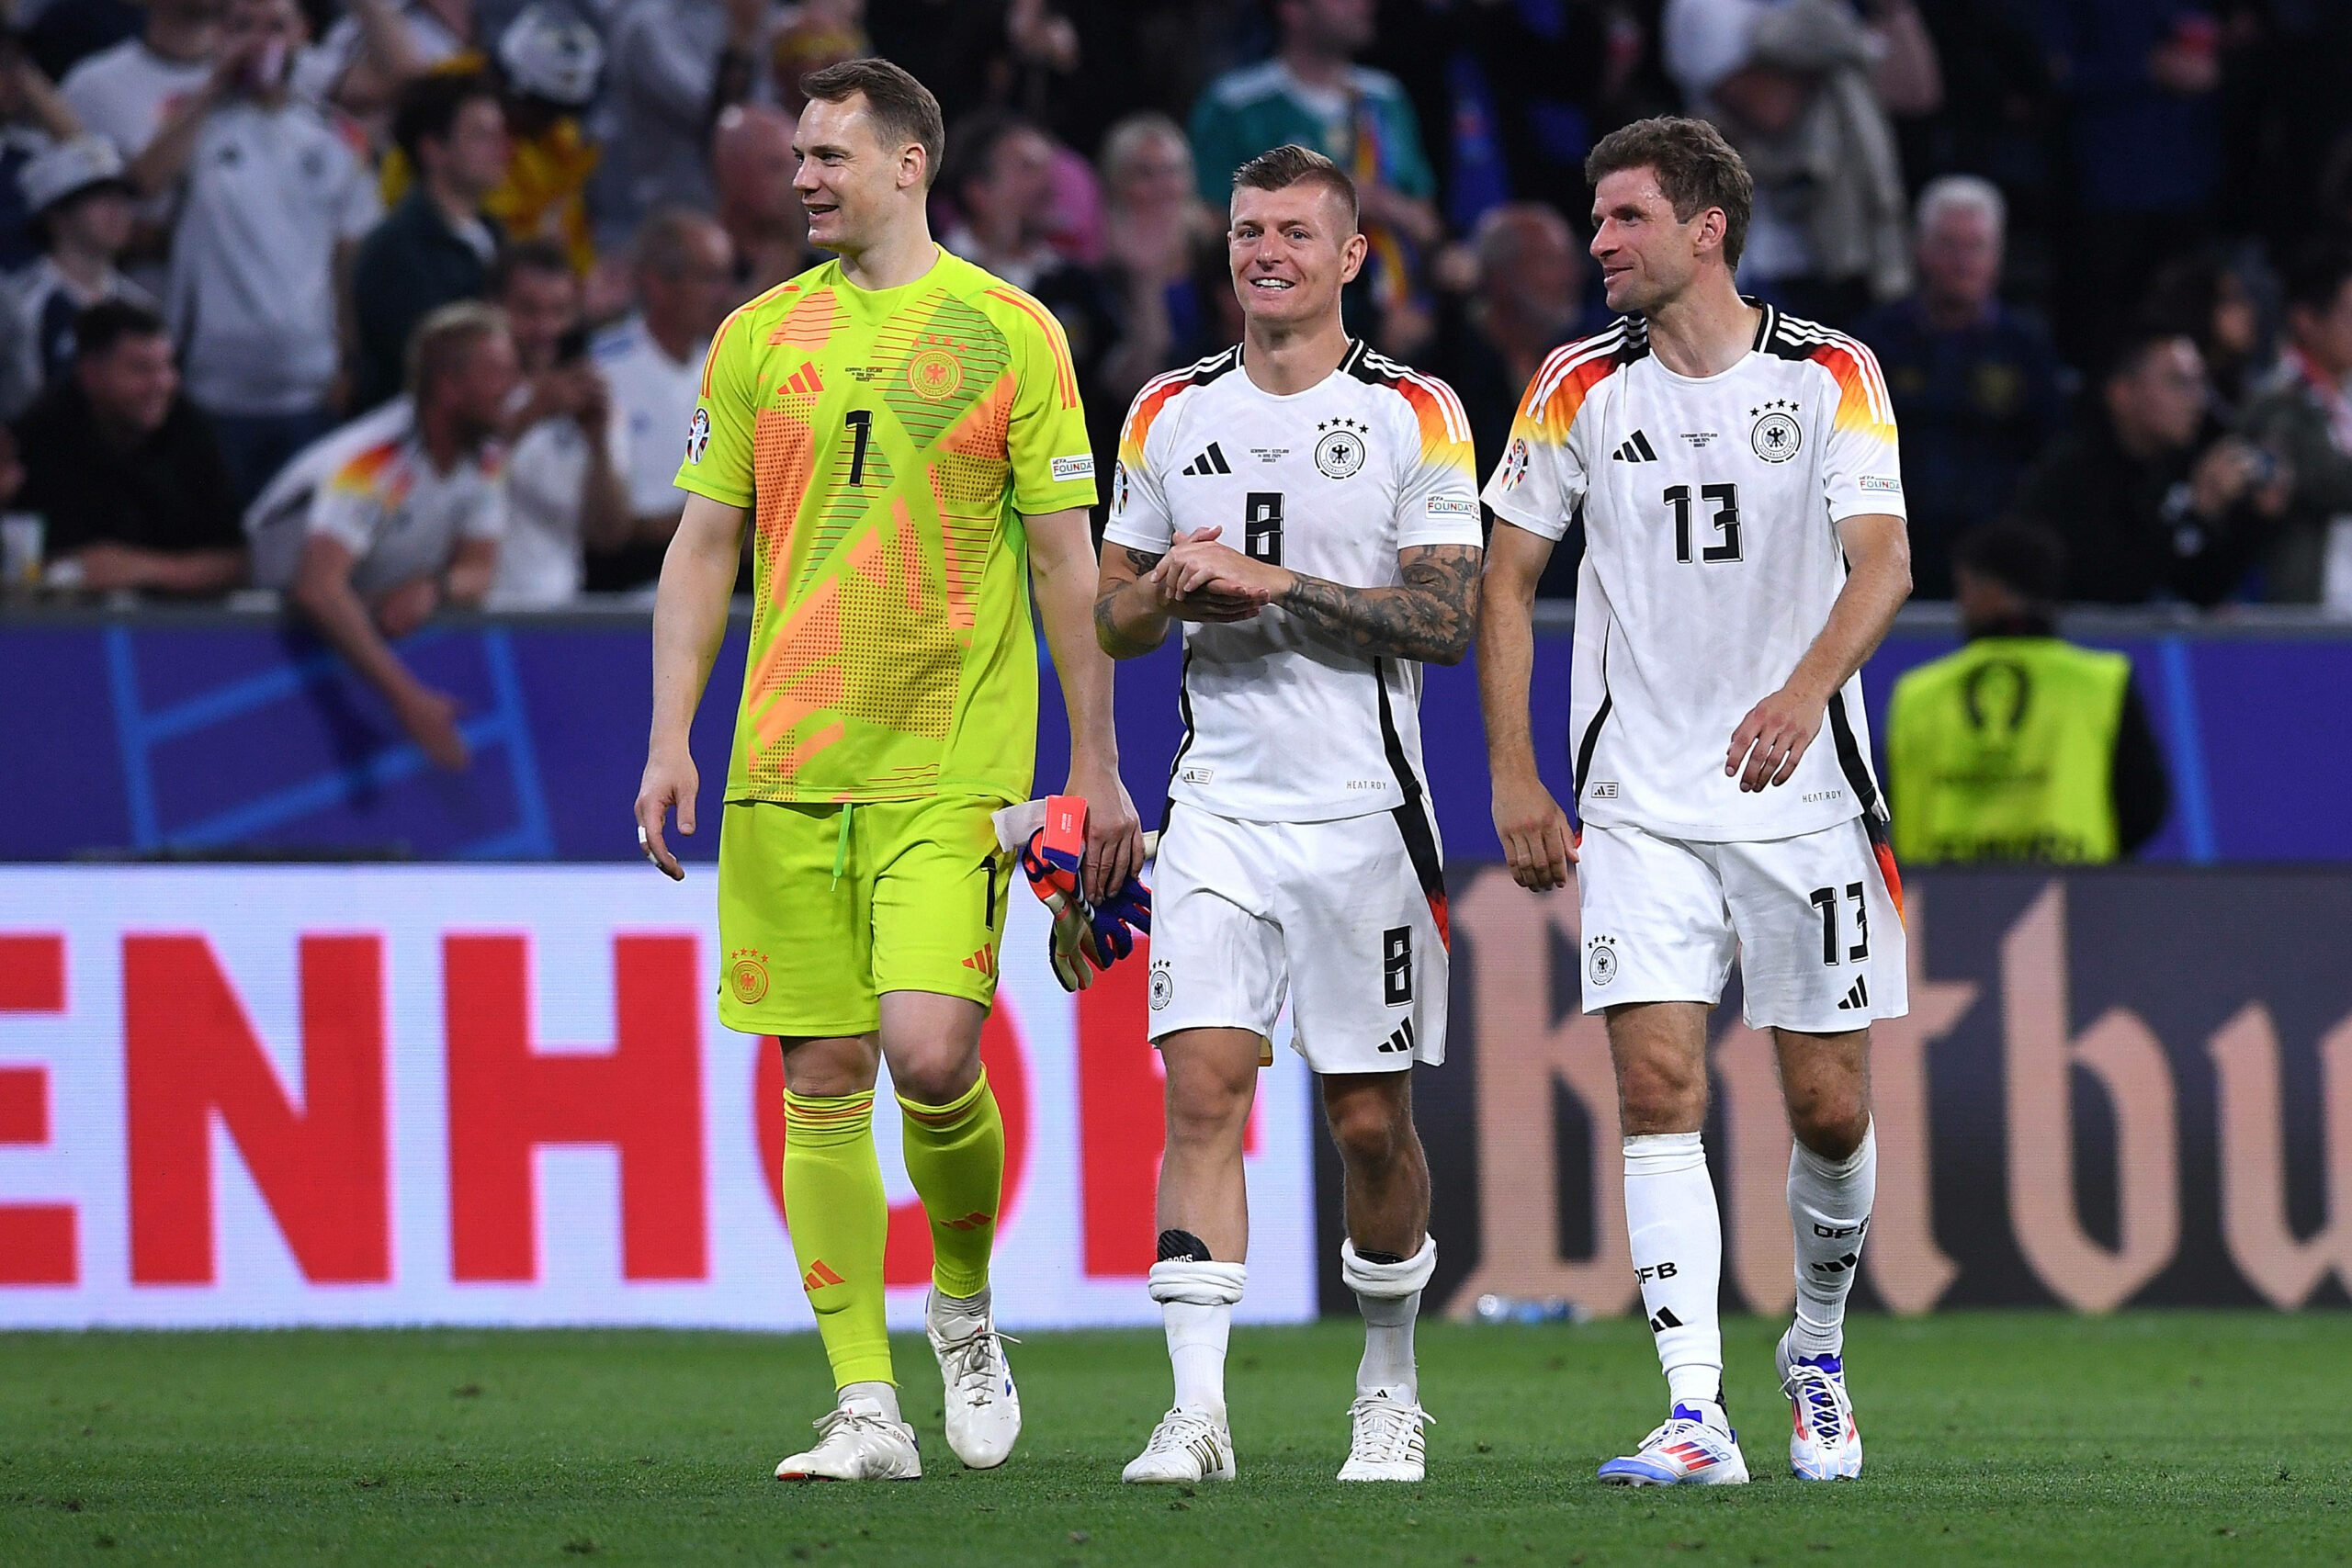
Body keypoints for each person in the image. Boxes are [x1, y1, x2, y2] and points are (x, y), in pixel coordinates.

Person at [631, 56, 1141, 1483]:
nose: (802, 177)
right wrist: (672, 735)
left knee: (930, 1054)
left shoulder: (1011, 333)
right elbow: (702, 548)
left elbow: (1061, 561)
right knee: (824, 1073)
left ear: (910, 164)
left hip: (948, 765)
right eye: (797, 155)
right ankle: (865, 1403)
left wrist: (1092, 764)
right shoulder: (753, 339)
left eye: (828, 156)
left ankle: (963, 1303)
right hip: (785, 763)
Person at [1479, 117, 1914, 1485]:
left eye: (1623, 220)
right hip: (1646, 797)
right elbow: (1503, 582)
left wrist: (1801, 693)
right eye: (1597, 222)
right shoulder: (1571, 385)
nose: (1599, 244)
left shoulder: (1833, 371)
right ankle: (1694, 1409)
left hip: (1807, 799)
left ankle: (1818, 1346)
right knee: (1656, 1085)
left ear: (1704, 225)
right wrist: (1513, 771)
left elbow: (1886, 561)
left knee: (1830, 1113)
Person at [1092, 145, 1480, 1487]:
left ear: (1351, 256)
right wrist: (1164, 597)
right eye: (1250, 230)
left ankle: (1388, 1381)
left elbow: (1444, 619)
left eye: (1297, 234)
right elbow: (1111, 614)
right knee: (1201, 1088)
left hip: (1366, 818)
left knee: (1370, 1122)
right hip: (1219, 811)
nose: (1267, 252)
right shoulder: (1164, 412)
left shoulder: (1415, 412)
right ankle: (1196, 1411)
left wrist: (1275, 584)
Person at [247, 302, 516, 770]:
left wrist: (435, 589)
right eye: (497, 374)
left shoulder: (486, 455)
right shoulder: (374, 461)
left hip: (347, 625)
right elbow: (317, 588)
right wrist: (407, 699)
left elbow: (479, 570)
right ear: (449, 386)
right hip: (257, 637)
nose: (512, 390)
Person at [135, 0, 381, 509]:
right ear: (221, 33)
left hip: (308, 389)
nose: (259, 40)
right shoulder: (190, 120)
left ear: (302, 35)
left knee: (295, 555)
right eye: (243, 26)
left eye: (275, 26)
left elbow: (348, 259)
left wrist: (349, 360)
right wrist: (212, 88)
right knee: (218, 547)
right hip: (212, 390)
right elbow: (142, 184)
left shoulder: (334, 136)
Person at [1885, 520, 2168, 863]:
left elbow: (1886, 806)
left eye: (1965, 587)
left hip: (1940, 898)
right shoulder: (2102, 682)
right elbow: (2145, 805)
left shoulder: (1919, 692)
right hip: (2073, 895)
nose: (1962, 604)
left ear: (1993, 590)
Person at [1849, 175, 2064, 599]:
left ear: (1998, 256)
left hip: (1998, 553)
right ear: (1921, 251)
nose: (1963, 261)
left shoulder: (2028, 348)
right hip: (1891, 545)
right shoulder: (1875, 342)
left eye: (1976, 246)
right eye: (1949, 245)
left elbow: (2049, 449)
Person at [1661, 0, 1940, 323]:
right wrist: (1837, 45)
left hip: (1842, 248)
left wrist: (1889, 10)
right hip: (1757, 256)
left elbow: (1916, 94)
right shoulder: (1707, 9)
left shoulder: (1823, 14)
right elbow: (1770, 111)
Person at [1186, 0, 1442, 354]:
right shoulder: (1234, 106)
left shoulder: (1386, 100)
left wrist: (1416, 305)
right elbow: (1209, 230)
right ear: (1293, 9)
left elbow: (1427, 225)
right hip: (1274, 333)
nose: (1365, 5)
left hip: (1387, 328)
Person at [2014, 328, 2288, 606]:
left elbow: (2201, 590)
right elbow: (2114, 592)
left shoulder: (2184, 462)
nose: (2198, 400)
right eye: (2178, 383)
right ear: (2122, 393)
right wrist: (2196, 514)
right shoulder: (2069, 477)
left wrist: (2255, 519)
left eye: (2200, 383)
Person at [12, 299, 243, 596]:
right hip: (62, 625)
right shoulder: (38, 436)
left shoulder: (191, 431)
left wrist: (142, 569)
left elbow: (235, 563)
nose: (161, 383)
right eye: (141, 369)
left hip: (173, 627)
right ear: (91, 375)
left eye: (167, 366)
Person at [589, 207, 733, 591]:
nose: (723, 295)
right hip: (621, 580)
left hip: (721, 580)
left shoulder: (729, 368)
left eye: (726, 277)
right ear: (657, 284)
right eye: (707, 277)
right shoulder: (604, 369)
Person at [351, 70, 510, 411]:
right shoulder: (395, 251)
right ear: (433, 150)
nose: (502, 149)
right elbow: (432, 363)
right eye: (482, 136)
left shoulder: (493, 232)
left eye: (501, 134)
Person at [485, 239, 629, 608]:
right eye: (528, 310)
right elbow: (452, 476)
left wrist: (599, 447)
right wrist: (533, 413)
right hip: (473, 612)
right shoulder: (466, 390)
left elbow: (608, 536)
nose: (545, 328)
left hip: (560, 610)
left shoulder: (593, 396)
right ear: (493, 307)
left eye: (559, 311)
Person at [2233, 242, 2352, 609]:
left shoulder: (2346, 395)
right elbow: (2325, 480)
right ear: (2305, 319)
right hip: (2311, 610)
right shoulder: (2275, 401)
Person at [1, 135, 152, 422]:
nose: (117, 210)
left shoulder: (141, 305)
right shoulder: (22, 306)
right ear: (57, 216)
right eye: (97, 198)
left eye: (121, 198)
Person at [712, 103, 814, 302]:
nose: (795, 182)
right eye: (775, 167)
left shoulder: (828, 262)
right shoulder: (702, 264)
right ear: (731, 170)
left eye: (798, 165)